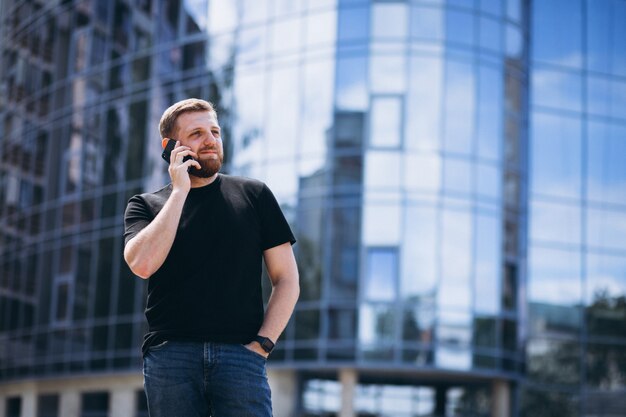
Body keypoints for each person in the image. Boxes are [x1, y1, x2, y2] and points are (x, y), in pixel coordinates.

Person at [123, 98, 299, 417]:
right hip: (171, 358)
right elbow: (142, 264)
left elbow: (287, 280)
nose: (210, 140)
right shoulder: (145, 205)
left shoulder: (255, 195)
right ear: (170, 147)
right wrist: (179, 192)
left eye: (215, 132)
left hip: (241, 357)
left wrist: (261, 347)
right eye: (197, 134)